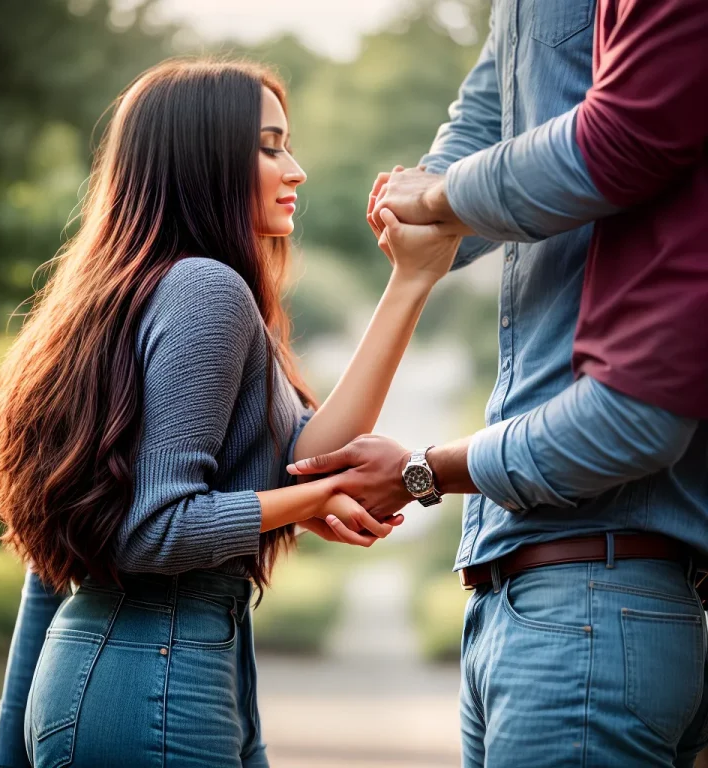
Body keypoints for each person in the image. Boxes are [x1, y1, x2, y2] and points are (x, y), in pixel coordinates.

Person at [0, 58, 461, 768]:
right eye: (268, 147)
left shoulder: (133, 298)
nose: (295, 169)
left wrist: (411, 281)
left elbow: (308, 452)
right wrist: (316, 498)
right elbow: (155, 528)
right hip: (155, 679)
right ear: (202, 157)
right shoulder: (205, 291)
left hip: (116, 675)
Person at [289, 1, 708, 765]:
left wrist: (419, 471)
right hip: (525, 600)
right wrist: (427, 215)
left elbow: (620, 139)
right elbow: (487, 110)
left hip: (594, 593)